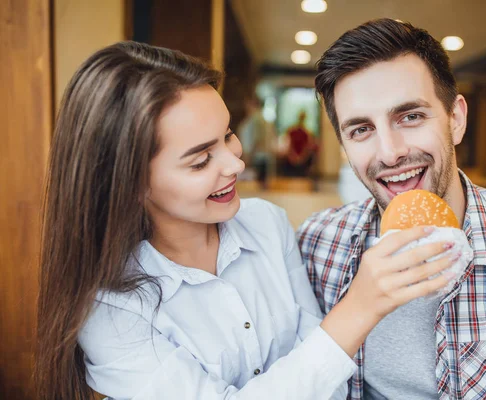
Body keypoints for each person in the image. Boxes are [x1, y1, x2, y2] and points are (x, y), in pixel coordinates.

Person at [34, 41, 458, 400]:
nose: (234, 164)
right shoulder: (111, 308)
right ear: (128, 183)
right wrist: (361, 306)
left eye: (228, 136)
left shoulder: (266, 225)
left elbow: (327, 382)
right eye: (201, 160)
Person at [299, 19, 486, 399]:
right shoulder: (316, 245)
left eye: (410, 116)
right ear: (344, 147)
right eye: (361, 129)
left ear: (455, 119)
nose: (390, 152)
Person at [238, 95, 275, 189]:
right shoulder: (261, 119)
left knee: (255, 187)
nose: (246, 106)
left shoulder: (256, 119)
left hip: (256, 158)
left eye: (248, 104)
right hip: (260, 158)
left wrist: (248, 157)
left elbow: (258, 139)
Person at [281, 111, 318, 177]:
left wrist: (298, 157)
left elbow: (307, 147)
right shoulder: (304, 132)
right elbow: (289, 146)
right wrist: (296, 157)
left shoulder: (305, 132)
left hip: (298, 159)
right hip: (295, 159)